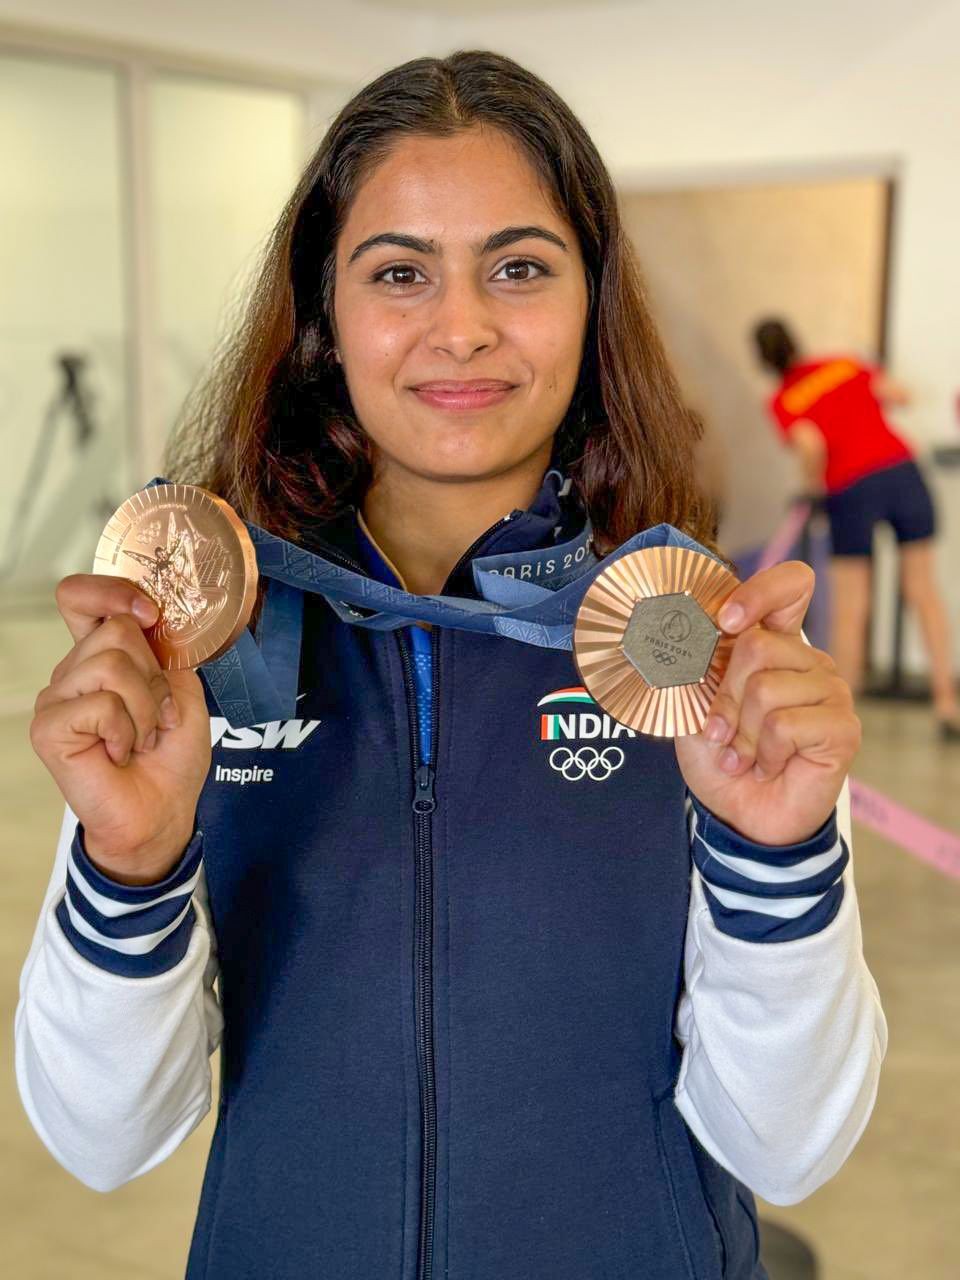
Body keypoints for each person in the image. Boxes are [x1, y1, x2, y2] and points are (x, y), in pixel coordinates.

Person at [17, 53, 885, 1280]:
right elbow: (103, 1139)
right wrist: (131, 865)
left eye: (519, 266)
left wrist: (776, 851)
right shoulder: (200, 655)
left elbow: (789, 1149)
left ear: (592, 300)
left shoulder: (709, 654)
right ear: (326, 314)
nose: (461, 325)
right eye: (399, 272)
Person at [754, 317, 960, 740]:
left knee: (852, 605)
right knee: (922, 590)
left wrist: (811, 488)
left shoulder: (783, 399)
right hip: (901, 472)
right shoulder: (844, 365)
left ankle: (844, 707)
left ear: (765, 360)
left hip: (850, 489)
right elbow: (900, 394)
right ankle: (946, 702)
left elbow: (812, 445)